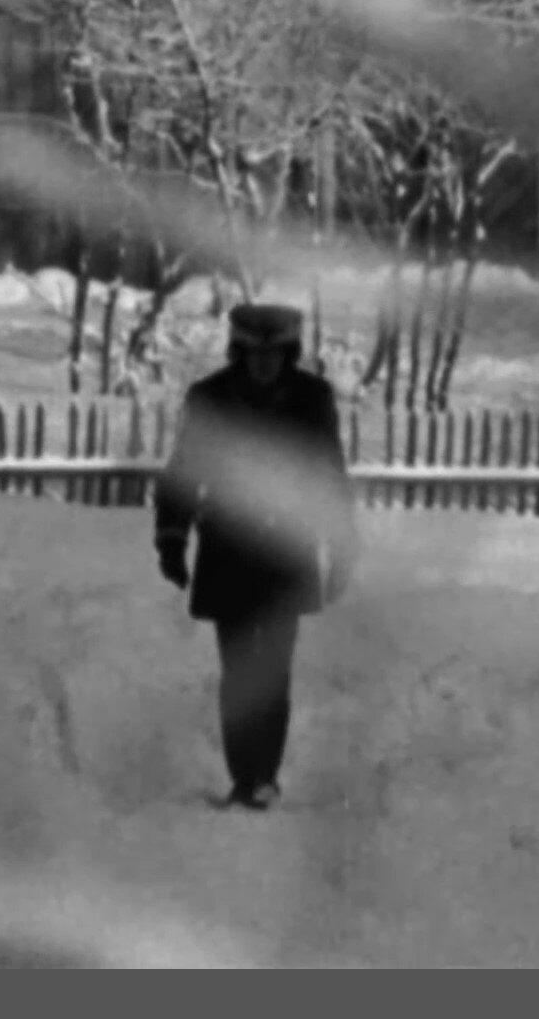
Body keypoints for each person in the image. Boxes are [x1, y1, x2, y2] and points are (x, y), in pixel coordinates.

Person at [152, 300, 360, 811]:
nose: (263, 364)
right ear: (238, 352)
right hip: (227, 551)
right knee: (239, 673)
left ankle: (264, 775)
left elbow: (328, 474)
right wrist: (172, 538)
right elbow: (185, 471)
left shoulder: (313, 399)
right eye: (253, 354)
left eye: (273, 354)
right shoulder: (210, 399)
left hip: (286, 552)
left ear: (289, 353)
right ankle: (244, 776)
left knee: (274, 672)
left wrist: (341, 546)